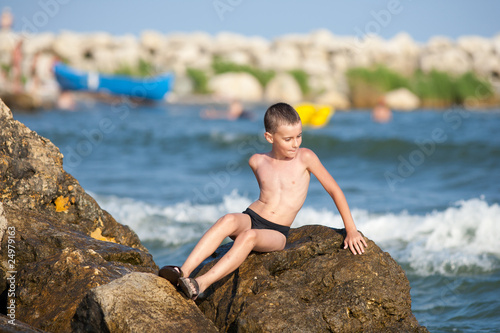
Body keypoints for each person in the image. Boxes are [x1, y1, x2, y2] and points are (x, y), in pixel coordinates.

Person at [160, 102, 367, 300]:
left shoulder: (306, 157)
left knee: (249, 237)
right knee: (227, 220)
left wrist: (351, 229)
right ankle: (183, 272)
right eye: (288, 139)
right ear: (269, 137)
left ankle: (201, 284)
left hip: (277, 232)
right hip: (252, 216)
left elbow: (334, 190)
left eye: (299, 136)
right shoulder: (257, 161)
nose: (295, 143)